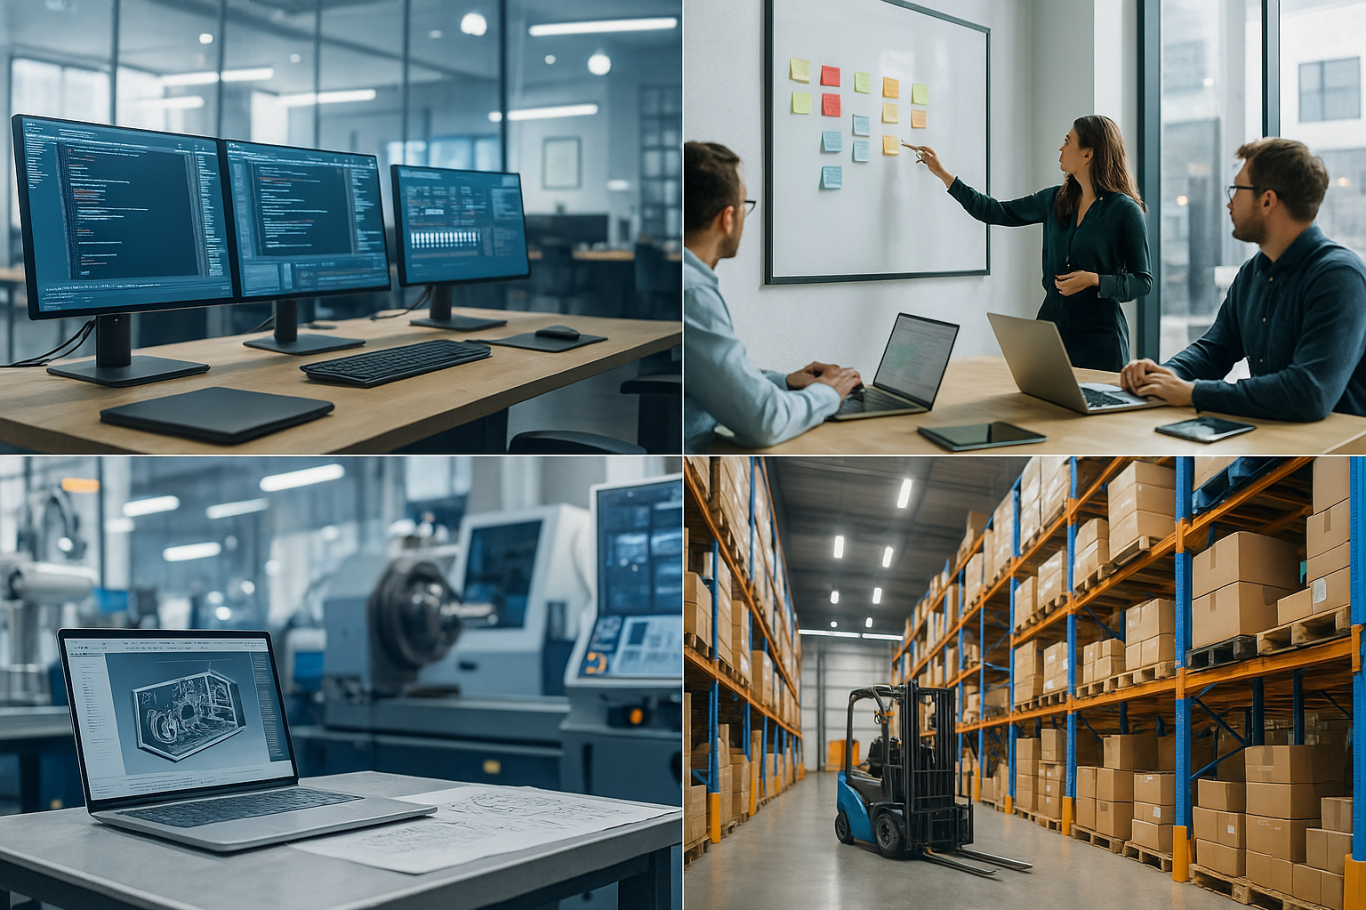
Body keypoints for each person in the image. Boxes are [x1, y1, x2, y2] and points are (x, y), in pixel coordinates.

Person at [1119, 138, 1366, 421]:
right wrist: (1163, 375)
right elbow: (1215, 348)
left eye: (1236, 190)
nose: (1228, 202)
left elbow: (1309, 392)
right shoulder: (1252, 272)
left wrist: (1193, 393)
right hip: (1268, 443)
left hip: (1331, 458)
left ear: (1267, 200)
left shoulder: (1338, 277)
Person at [910, 114, 1151, 371]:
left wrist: (1096, 280)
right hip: (1050, 333)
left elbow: (1142, 281)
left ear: (1087, 154)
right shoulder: (1054, 200)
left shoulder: (1124, 210)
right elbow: (995, 211)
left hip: (1101, 343)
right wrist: (943, 174)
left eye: (1068, 141)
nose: (1061, 147)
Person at [684, 140, 861, 452]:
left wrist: (786, 382)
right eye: (744, 206)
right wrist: (827, 394)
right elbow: (765, 421)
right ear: (727, 219)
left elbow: (716, 375)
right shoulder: (692, 294)